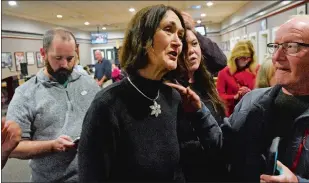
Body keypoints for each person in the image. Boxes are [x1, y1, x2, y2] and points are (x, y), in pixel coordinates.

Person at [78, 4, 222, 182]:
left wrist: (199, 114)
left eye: (180, 35)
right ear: (143, 37)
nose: (178, 42)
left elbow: (211, 150)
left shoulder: (173, 96)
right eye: (168, 30)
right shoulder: (108, 104)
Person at [6, 27, 100, 182]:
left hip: (91, 176)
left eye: (70, 58)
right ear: (43, 54)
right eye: (58, 58)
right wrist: (51, 146)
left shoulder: (89, 83)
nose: (64, 64)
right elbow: (13, 148)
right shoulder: (25, 94)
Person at [224, 16, 309, 182]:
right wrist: (198, 113)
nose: (276, 57)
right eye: (276, 46)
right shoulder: (251, 102)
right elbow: (222, 149)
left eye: (291, 46)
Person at [177, 26, 227, 182]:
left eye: (195, 43)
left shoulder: (205, 81)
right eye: (185, 46)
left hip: (216, 169)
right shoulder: (174, 89)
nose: (192, 51)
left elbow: (221, 60)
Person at [216, 40, 258, 116]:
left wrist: (251, 93)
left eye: (248, 58)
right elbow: (220, 96)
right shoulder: (224, 73)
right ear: (235, 57)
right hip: (233, 113)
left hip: (253, 112)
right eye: (243, 58)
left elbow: (261, 90)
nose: (246, 61)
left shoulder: (255, 70)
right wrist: (235, 97)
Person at [181, 11, 227, 76]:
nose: (191, 50)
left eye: (194, 44)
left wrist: (193, 32)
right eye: (184, 46)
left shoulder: (204, 74)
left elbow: (222, 62)